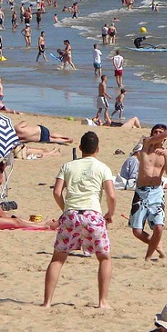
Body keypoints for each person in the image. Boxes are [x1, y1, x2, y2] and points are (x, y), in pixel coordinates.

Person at [42, 131, 116, 309]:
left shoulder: (67, 166)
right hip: (93, 214)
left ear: (81, 148)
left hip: (71, 214)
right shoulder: (103, 168)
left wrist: (65, 208)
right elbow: (111, 195)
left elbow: (57, 192)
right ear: (97, 149)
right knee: (104, 258)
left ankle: (47, 302)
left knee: (58, 259)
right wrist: (110, 214)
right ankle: (102, 302)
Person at [133, 125, 167, 260]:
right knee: (137, 231)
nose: (158, 135)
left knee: (159, 227)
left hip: (156, 192)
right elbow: (166, 133)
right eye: (155, 132)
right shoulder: (146, 145)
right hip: (141, 192)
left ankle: (148, 257)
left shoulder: (166, 153)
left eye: (160, 133)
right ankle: (157, 244)